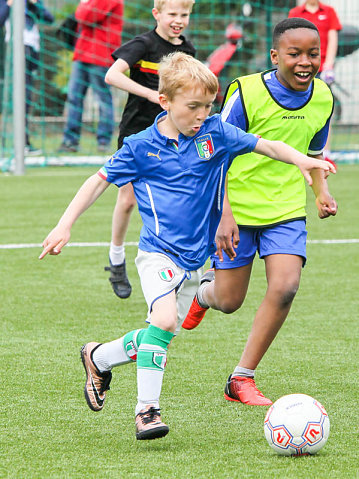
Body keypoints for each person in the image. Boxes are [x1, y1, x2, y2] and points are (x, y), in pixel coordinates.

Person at [38, 52, 334, 440]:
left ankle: (98, 357)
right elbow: (98, 180)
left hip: (198, 261)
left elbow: (268, 145)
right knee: (162, 321)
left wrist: (302, 161)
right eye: (193, 106)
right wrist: (64, 225)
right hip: (158, 252)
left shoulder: (215, 132)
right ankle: (147, 411)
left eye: (207, 106)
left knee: (159, 334)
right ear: (165, 102)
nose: (202, 114)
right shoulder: (141, 146)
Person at [182, 18, 338, 406]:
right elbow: (215, 154)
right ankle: (204, 295)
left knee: (286, 286)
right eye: (295, 54)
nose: (305, 62)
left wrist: (321, 193)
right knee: (230, 301)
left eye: (313, 54)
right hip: (234, 206)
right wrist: (224, 214)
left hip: (285, 208)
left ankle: (241, 378)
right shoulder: (246, 92)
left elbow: (313, 156)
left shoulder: (323, 97)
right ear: (275, 56)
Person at [103, 0, 195, 299]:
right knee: (128, 200)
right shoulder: (143, 44)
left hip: (171, 134)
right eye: (172, 14)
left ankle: (175, 263)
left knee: (173, 197)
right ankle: (116, 260)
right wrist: (152, 94)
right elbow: (112, 75)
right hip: (136, 133)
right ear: (157, 14)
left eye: (184, 14)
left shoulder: (188, 51)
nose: (178, 20)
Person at [58, 0, 124, 153]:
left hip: (100, 56)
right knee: (74, 98)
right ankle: (70, 141)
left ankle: (103, 141)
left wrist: (84, 4)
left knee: (103, 99)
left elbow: (85, 16)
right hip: (82, 54)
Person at [288, 1, 342, 159]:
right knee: (295, 107)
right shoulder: (295, 12)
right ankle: (295, 150)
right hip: (300, 68)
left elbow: (333, 39)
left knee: (325, 110)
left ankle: (326, 153)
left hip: (322, 69)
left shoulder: (329, 11)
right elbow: (290, 40)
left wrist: (329, 65)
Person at [0, 0, 54, 155]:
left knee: (27, 98)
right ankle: (21, 143)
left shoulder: (31, 3)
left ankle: (24, 142)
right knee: (21, 98)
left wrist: (35, 3)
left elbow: (49, 18)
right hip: (16, 49)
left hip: (32, 51)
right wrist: (10, 4)